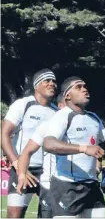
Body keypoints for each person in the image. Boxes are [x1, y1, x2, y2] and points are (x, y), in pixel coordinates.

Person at [42, 77, 105, 218]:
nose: (84, 89)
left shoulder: (93, 118)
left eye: (85, 86)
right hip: (67, 186)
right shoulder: (62, 116)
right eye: (79, 87)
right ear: (67, 95)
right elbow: (48, 144)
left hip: (91, 186)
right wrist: (85, 148)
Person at [1, 69, 58, 218]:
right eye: (47, 80)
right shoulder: (23, 105)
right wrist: (19, 167)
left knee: (48, 215)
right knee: (15, 216)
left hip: (48, 172)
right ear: (36, 85)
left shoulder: (57, 112)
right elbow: (4, 135)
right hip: (22, 169)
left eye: (54, 81)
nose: (52, 84)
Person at [15, 94, 66, 219]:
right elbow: (27, 151)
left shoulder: (83, 122)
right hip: (43, 179)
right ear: (61, 105)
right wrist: (21, 172)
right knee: (16, 213)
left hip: (65, 183)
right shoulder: (48, 125)